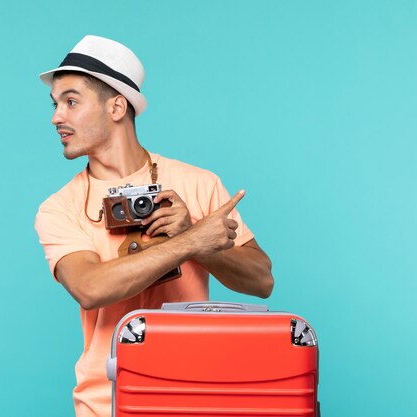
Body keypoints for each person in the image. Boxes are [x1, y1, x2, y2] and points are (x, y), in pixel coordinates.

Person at [34, 35, 274, 417]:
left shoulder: (198, 183)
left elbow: (262, 281)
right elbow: (89, 287)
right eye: (55, 104)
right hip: (107, 403)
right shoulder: (59, 208)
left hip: (196, 395)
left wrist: (193, 234)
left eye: (71, 102)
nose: (56, 117)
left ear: (116, 107)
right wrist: (192, 240)